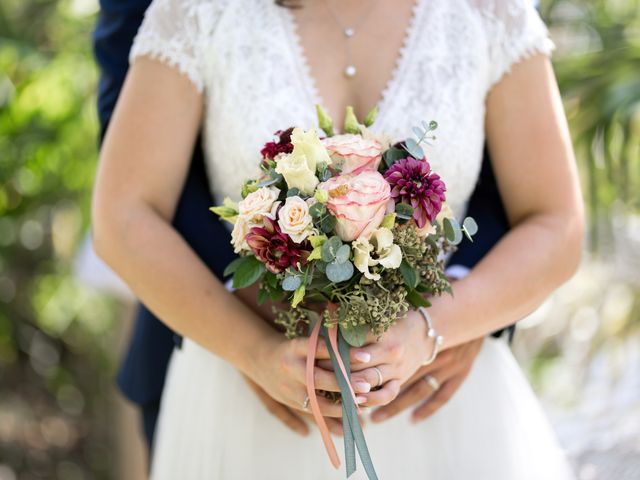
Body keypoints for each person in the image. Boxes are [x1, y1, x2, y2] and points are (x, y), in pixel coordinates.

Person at [92, 0, 584, 478]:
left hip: (437, 400)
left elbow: (555, 222)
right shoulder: (198, 10)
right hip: (247, 398)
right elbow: (125, 215)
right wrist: (251, 349)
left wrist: (434, 328)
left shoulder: (491, 12)